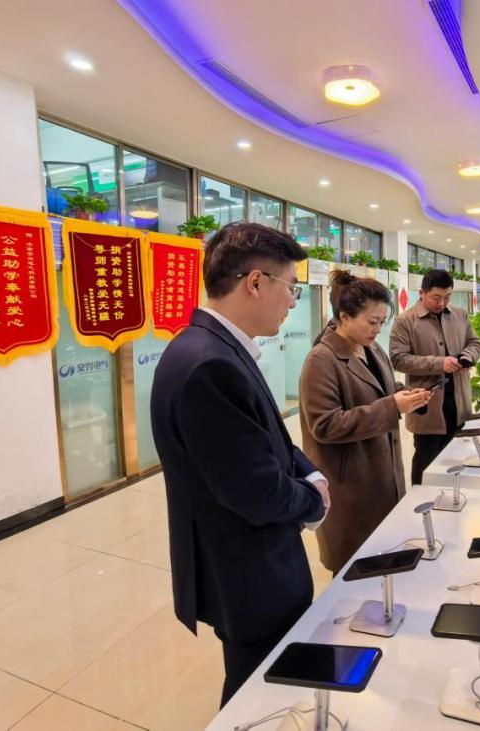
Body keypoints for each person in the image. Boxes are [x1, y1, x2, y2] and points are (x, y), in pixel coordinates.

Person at [150, 223, 330, 708]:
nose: (292, 301)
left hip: (250, 562)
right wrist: (314, 501)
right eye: (291, 287)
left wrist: (309, 473)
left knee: (265, 680)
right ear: (255, 282)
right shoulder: (209, 364)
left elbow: (268, 437)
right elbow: (256, 491)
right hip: (249, 572)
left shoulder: (217, 347)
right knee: (257, 692)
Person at [299, 270, 432, 573]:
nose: (377, 329)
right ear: (344, 316)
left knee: (385, 557)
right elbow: (325, 425)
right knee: (355, 569)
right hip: (351, 484)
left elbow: (383, 390)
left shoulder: (371, 347)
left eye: (382, 322)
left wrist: (407, 395)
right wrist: (391, 406)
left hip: (382, 474)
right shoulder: (321, 360)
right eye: (372, 322)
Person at [389, 269, 480, 485]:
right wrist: (439, 363)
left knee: (457, 458)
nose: (442, 303)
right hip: (427, 404)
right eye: (436, 297)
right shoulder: (405, 321)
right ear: (422, 293)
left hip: (459, 401)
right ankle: (419, 499)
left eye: (447, 297)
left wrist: (467, 356)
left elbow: (474, 342)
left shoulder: (460, 314)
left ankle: (453, 495)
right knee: (426, 461)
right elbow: (398, 359)